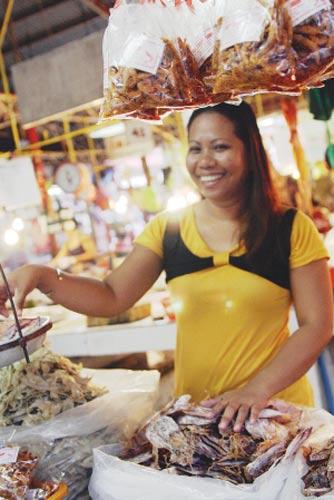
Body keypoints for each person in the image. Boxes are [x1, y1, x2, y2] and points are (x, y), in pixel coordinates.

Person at [0, 102, 332, 433]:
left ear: (250, 150)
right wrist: (43, 276)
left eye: (220, 147)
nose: (205, 161)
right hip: (198, 420)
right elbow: (111, 295)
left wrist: (256, 391)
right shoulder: (168, 230)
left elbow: (317, 324)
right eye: (196, 148)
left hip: (277, 415)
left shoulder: (289, 228)